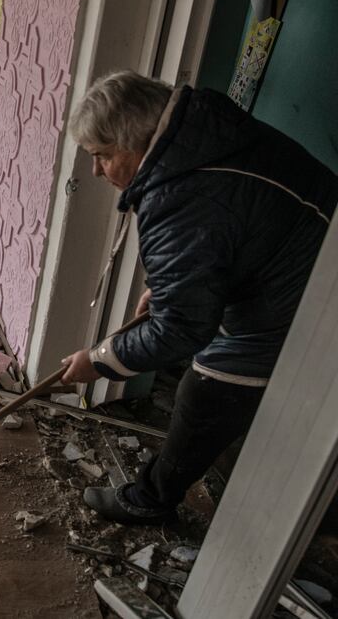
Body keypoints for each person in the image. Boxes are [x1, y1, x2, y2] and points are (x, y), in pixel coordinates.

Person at [60, 70, 338, 525]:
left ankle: (149, 500)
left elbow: (181, 327)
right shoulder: (206, 129)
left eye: (102, 156)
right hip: (310, 255)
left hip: (308, 295)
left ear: (134, 143)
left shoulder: (177, 198)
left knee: (205, 394)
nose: (96, 171)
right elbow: (232, 224)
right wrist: (177, 284)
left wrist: (100, 360)